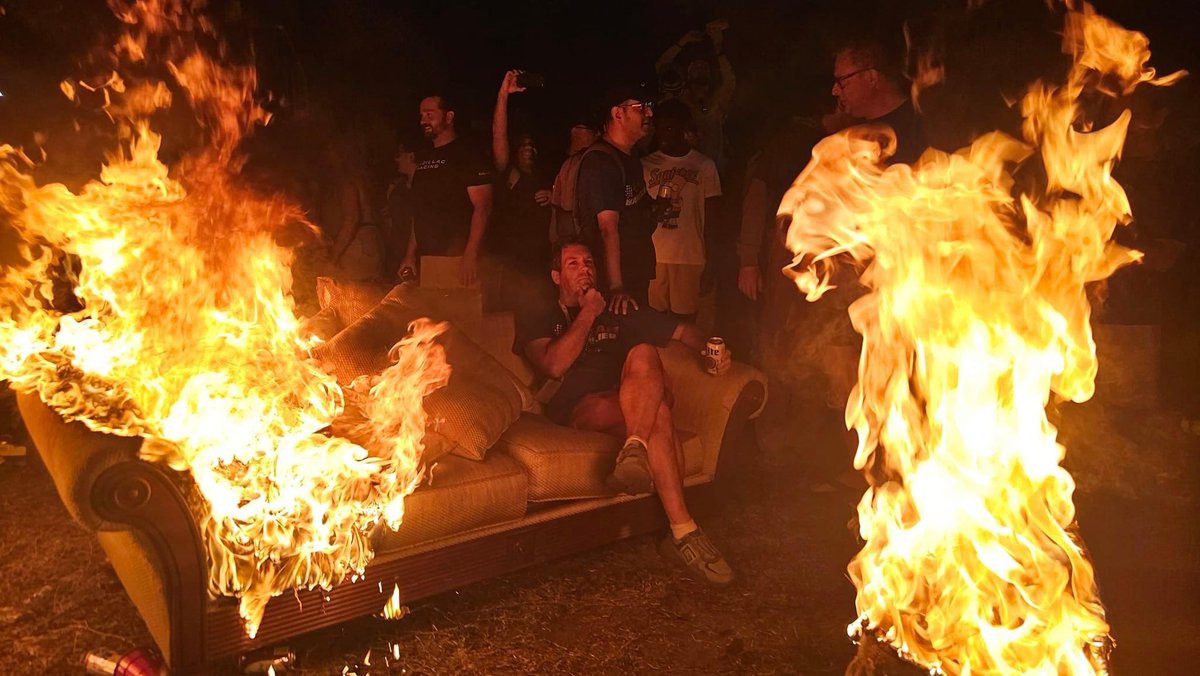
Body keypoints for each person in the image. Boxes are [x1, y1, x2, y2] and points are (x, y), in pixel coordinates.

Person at [515, 238, 734, 584]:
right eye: (573, 264)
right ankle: (684, 534)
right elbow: (554, 365)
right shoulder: (540, 316)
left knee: (646, 355)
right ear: (556, 276)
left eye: (588, 262)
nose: (584, 269)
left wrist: (714, 352)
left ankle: (637, 450)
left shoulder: (621, 309)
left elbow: (686, 332)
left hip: (631, 403)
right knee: (659, 413)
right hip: (582, 407)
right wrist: (588, 311)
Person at [575, 85, 657, 312]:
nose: (649, 113)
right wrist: (616, 287)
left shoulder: (630, 155)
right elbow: (607, 228)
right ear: (618, 113)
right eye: (640, 108)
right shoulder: (602, 162)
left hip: (636, 270)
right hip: (619, 284)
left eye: (649, 107)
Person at [401, 94, 493, 286]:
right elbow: (419, 212)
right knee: (432, 315)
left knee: (459, 314)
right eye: (421, 116)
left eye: (429, 114)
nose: (423, 120)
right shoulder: (425, 159)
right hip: (427, 259)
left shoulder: (468, 154)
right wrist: (410, 255)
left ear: (449, 117)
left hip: (457, 258)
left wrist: (470, 255)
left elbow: (483, 207)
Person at [641, 99, 721, 321]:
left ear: (683, 128)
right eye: (659, 129)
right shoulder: (646, 165)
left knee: (685, 322)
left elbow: (712, 216)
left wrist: (711, 260)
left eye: (669, 128)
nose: (663, 135)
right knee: (654, 321)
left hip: (690, 255)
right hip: (655, 255)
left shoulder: (704, 166)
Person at [490, 70, 554, 279]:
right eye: (524, 144)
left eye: (532, 144)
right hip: (509, 259)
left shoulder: (546, 175)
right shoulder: (508, 171)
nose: (529, 148)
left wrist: (555, 197)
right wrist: (503, 94)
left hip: (540, 258)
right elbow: (499, 134)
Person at [655, 19, 736, 172]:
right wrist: (682, 42)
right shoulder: (680, 100)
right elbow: (661, 67)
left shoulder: (717, 100)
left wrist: (718, 47)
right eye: (695, 67)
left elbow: (729, 79)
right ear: (688, 75)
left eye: (704, 67)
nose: (700, 68)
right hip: (683, 170)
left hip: (714, 170)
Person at [832, 39, 928, 165]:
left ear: (871, 77)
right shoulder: (849, 136)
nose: (835, 91)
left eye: (842, 80)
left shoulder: (923, 131)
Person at [383, 139, 417, 282]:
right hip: (396, 248)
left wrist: (410, 254)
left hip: (413, 253)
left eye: (400, 154)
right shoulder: (398, 187)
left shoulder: (424, 185)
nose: (396, 159)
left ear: (411, 156)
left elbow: (418, 219)